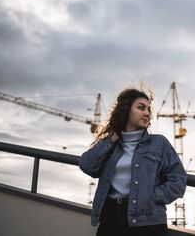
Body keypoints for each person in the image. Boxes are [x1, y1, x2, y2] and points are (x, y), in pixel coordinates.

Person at [79, 88, 187, 236]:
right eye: (141, 108)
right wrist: (110, 140)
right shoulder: (111, 143)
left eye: (149, 109)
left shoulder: (159, 143)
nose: (147, 113)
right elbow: (86, 165)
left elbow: (178, 181)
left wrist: (150, 195)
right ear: (126, 111)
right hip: (110, 218)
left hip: (148, 221)